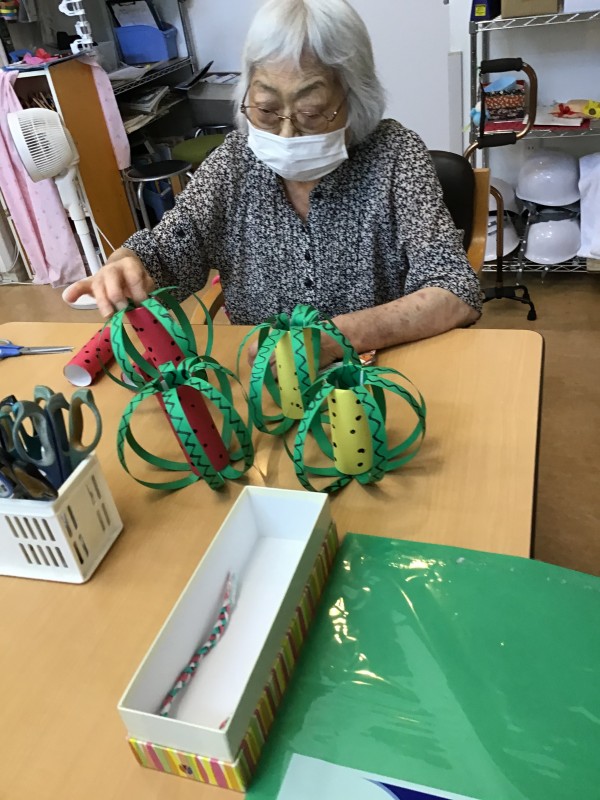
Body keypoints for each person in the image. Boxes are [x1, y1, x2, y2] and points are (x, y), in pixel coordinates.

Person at [65, 0, 481, 364]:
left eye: (311, 113)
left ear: (355, 99)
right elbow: (168, 254)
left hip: (378, 377)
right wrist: (128, 266)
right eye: (265, 110)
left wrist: (331, 339)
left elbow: (454, 291)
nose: (286, 134)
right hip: (266, 384)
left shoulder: (395, 155)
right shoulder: (234, 162)